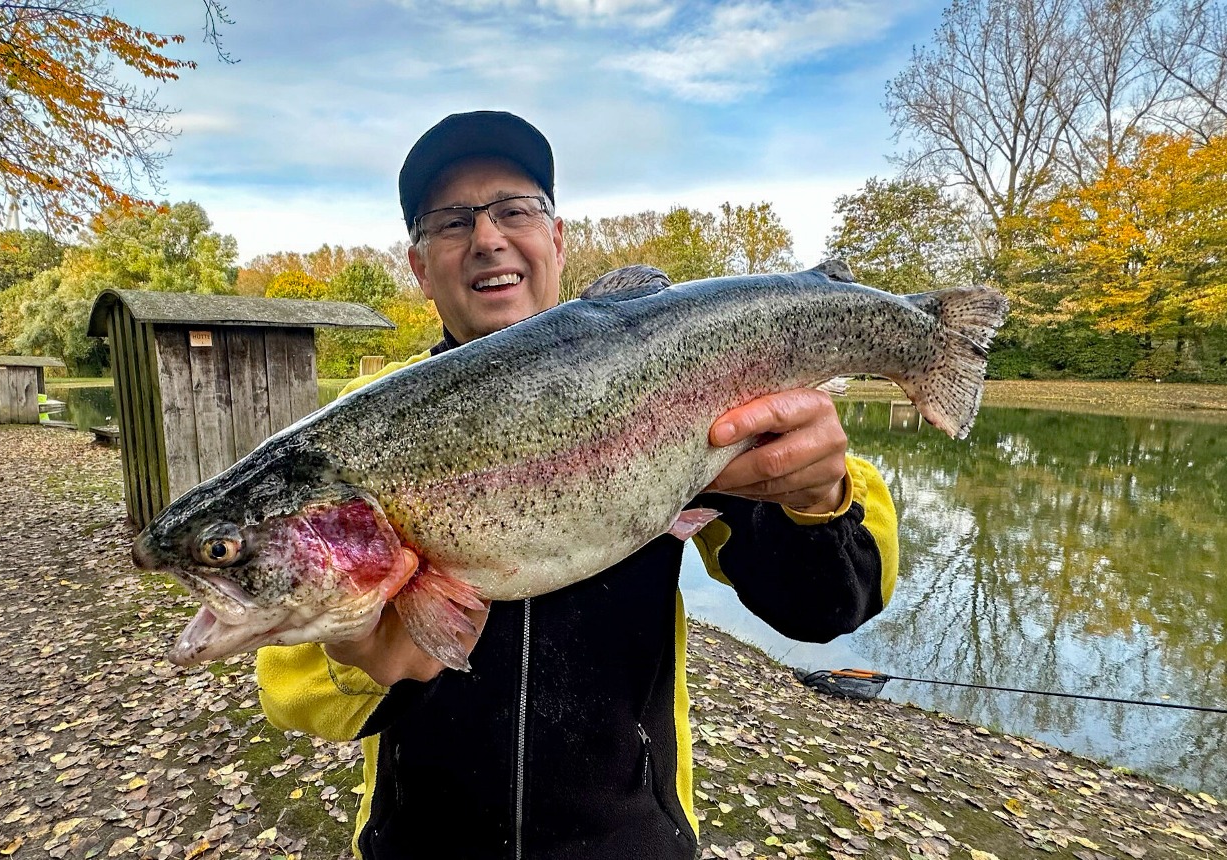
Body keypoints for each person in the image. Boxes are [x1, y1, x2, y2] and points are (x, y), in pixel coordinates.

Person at [256, 111, 899, 860]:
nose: (487, 236)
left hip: (633, 840)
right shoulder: (354, 435)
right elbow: (288, 690)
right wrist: (359, 656)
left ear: (555, 241)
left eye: (514, 209)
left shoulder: (693, 381)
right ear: (419, 267)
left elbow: (828, 609)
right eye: (451, 220)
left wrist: (816, 501)